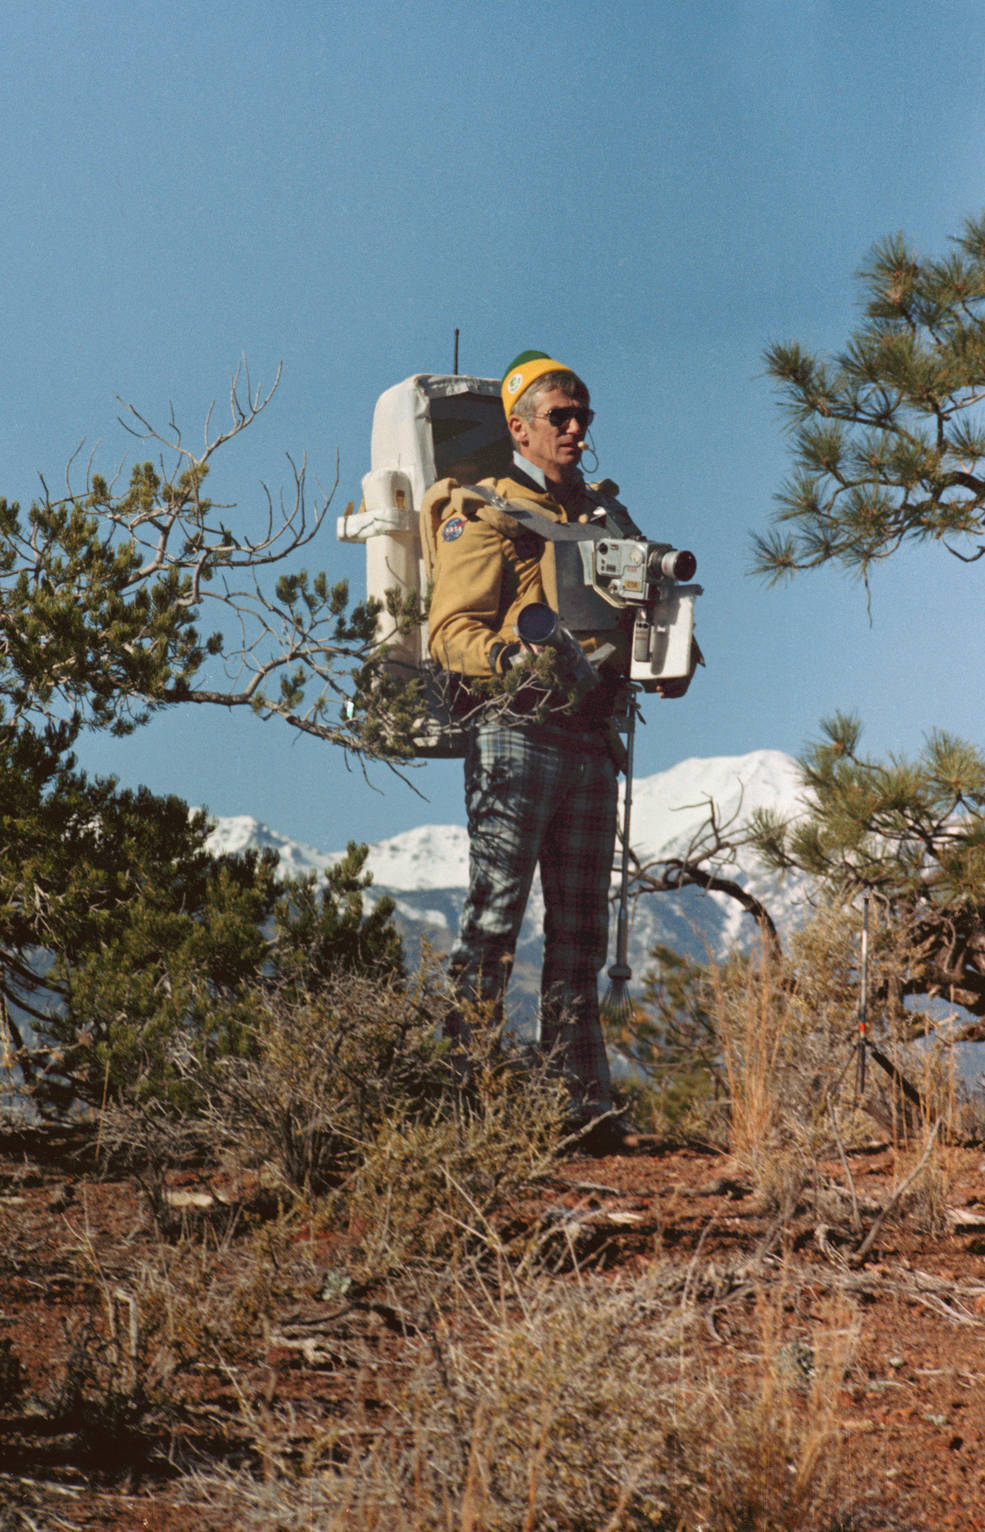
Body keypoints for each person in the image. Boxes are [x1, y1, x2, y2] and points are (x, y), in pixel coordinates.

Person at [423, 350, 645, 1149]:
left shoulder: (607, 518)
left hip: (590, 739)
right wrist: (510, 659)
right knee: (493, 922)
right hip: (515, 730)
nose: (576, 428)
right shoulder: (483, 509)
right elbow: (449, 631)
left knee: (580, 936)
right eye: (559, 415)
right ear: (518, 427)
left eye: (582, 414)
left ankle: (579, 1107)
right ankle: (461, 1102)